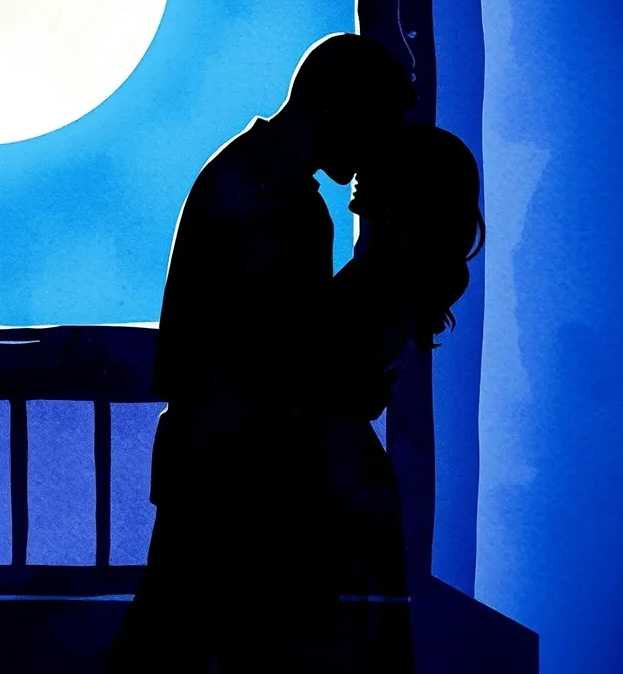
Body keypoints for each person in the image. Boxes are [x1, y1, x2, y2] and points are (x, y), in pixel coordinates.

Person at [105, 33, 416, 674]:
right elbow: (285, 355)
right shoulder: (278, 199)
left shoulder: (250, 175)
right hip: (244, 471)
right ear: (338, 108)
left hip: (218, 459)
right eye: (374, 125)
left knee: (169, 640)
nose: (373, 151)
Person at [303, 122, 487, 672]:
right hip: (344, 474)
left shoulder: (379, 285)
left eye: (378, 160)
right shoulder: (389, 281)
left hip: (334, 480)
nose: (360, 167)